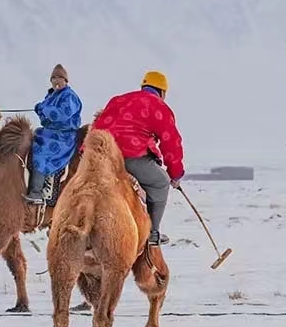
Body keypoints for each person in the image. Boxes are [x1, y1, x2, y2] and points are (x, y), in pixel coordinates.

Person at [91, 70, 185, 246]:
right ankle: (152, 232)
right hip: (130, 157)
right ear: (162, 92)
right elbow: (171, 141)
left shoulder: (118, 99)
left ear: (143, 87)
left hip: (101, 156)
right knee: (160, 182)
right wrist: (175, 174)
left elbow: (99, 124)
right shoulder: (159, 106)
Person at [24, 64, 83, 204]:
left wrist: (43, 108)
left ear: (66, 81)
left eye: (60, 78)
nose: (56, 81)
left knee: (41, 152)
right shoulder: (50, 96)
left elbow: (61, 115)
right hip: (48, 132)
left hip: (63, 136)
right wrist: (41, 111)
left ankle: (37, 192)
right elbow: (46, 119)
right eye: (54, 78)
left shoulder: (70, 96)